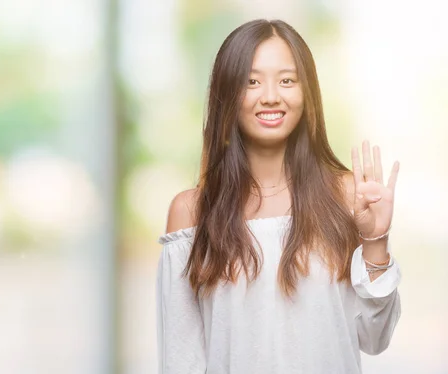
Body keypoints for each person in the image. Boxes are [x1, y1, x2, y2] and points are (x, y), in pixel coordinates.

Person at [156, 19, 401, 374]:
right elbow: (181, 357)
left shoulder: (347, 197)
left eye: (287, 80)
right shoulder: (191, 212)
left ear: (307, 94)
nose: (271, 95)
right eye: (251, 81)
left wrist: (375, 241)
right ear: (227, 94)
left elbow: (375, 339)